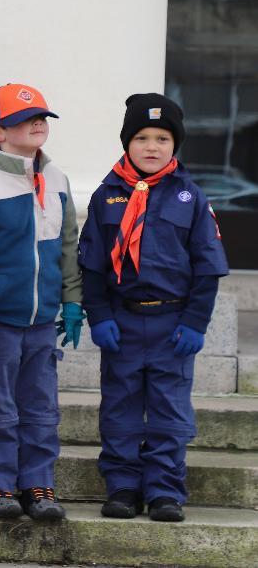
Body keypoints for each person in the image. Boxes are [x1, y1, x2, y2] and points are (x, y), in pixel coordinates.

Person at [78, 93, 227, 523]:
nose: (151, 147)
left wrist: (196, 322)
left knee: (169, 410)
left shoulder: (191, 197)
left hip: (172, 323)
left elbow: (208, 266)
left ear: (174, 144)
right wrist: (100, 315)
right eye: (141, 137)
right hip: (122, 321)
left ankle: (164, 489)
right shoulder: (106, 196)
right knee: (120, 408)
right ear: (127, 142)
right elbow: (91, 263)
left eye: (162, 138)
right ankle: (123, 486)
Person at [0, 83, 83, 521]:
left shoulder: (59, 179)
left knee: (41, 408)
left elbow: (68, 246)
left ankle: (37, 484)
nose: (38, 124)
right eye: (25, 119)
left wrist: (72, 301)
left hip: (43, 322)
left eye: (42, 117)